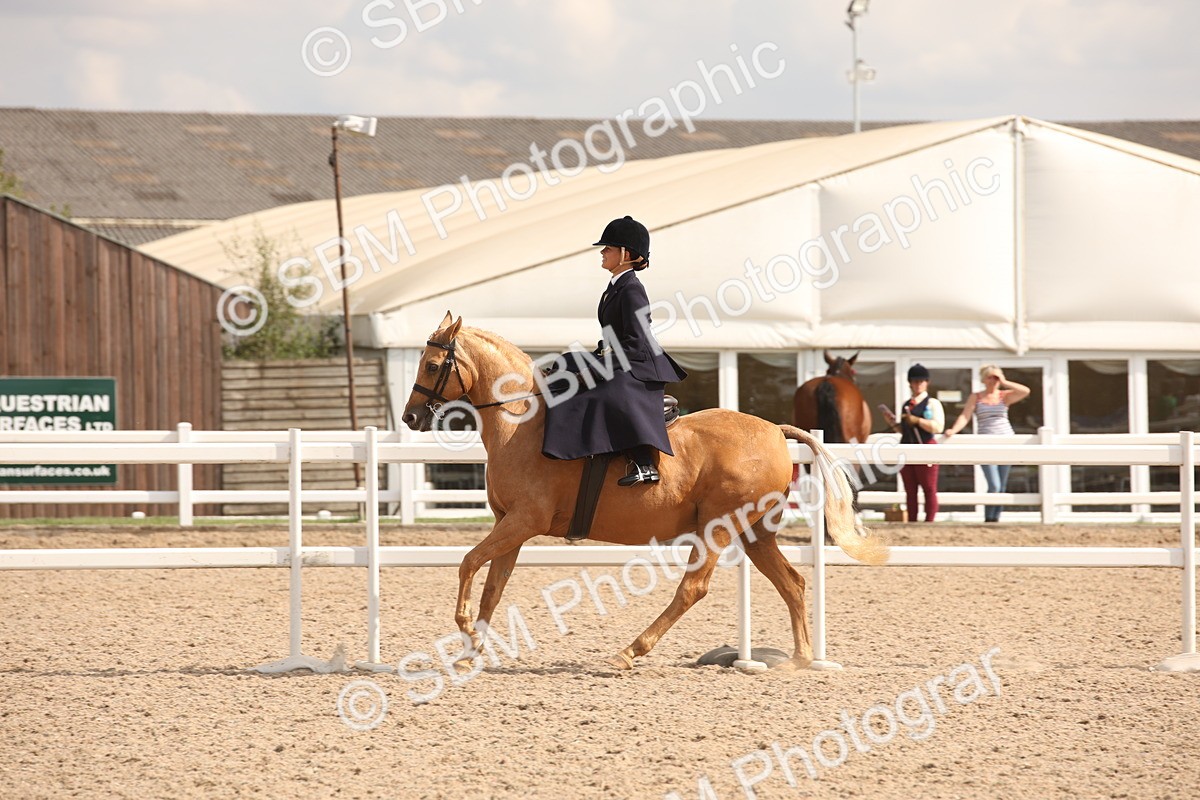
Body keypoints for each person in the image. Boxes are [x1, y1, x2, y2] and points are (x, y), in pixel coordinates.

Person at [541, 216, 688, 486]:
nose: (602, 252)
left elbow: (634, 342)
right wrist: (589, 361)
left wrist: (595, 370)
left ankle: (645, 463)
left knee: (611, 392)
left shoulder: (632, 290)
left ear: (626, 254)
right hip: (621, 355)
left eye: (608, 248)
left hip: (639, 363)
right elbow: (611, 338)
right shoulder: (613, 288)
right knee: (568, 362)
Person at [943, 365, 1031, 522]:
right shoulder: (976, 397)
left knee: (1001, 487)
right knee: (994, 485)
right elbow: (965, 416)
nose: (993, 381)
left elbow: (1025, 391)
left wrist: (1004, 381)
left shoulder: (1004, 396)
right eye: (990, 377)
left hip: (1006, 443)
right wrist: (953, 430)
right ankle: (989, 518)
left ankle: (995, 519)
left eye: (996, 377)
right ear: (984, 379)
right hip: (985, 444)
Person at [882, 364, 945, 522]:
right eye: (914, 381)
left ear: (926, 382)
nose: (917, 384)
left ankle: (929, 520)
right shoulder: (906, 405)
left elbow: (938, 426)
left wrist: (918, 420)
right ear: (910, 383)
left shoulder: (932, 403)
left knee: (929, 488)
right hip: (907, 447)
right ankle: (912, 520)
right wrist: (893, 423)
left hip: (925, 446)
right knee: (910, 489)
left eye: (921, 381)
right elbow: (904, 431)